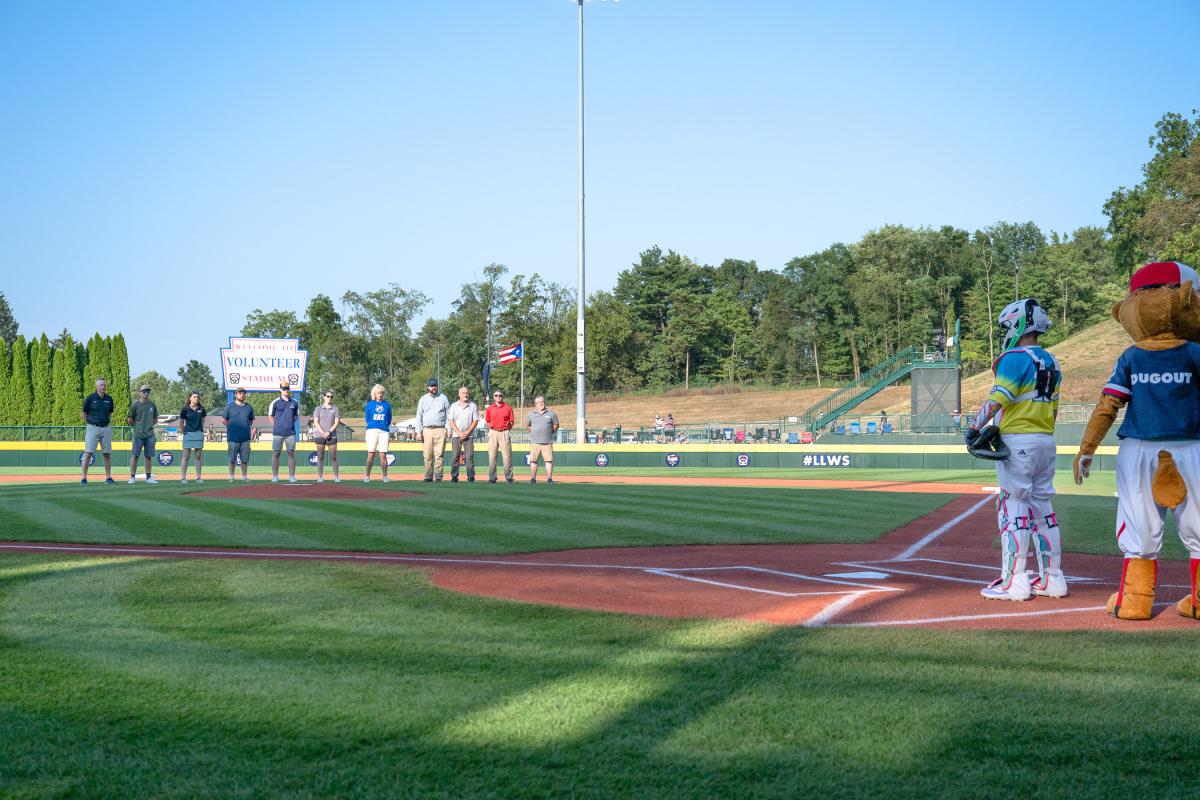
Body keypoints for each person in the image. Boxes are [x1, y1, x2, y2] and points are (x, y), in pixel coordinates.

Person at [966, 298, 1065, 601]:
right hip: (1045, 440)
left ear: (1017, 325)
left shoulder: (1014, 357)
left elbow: (999, 398)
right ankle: (1053, 579)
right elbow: (1055, 408)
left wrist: (973, 426)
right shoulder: (1052, 361)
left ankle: (1015, 582)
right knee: (1043, 510)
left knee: (1013, 508)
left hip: (1018, 442)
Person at [80, 377, 116, 485]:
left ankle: (108, 477)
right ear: (96, 386)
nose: (103, 387)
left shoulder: (109, 399)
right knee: (88, 453)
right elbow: (84, 414)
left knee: (107, 454)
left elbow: (109, 413)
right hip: (92, 428)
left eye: (104, 385)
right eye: (101, 385)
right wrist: (91, 423)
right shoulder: (90, 398)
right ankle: (84, 478)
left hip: (106, 428)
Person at [416, 377, 450, 482]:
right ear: (428, 387)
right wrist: (418, 431)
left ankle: (439, 476)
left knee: (439, 455)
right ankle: (428, 476)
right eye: (431, 386)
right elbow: (419, 416)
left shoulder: (443, 398)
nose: (433, 387)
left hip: (440, 429)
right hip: (427, 429)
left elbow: (449, 415)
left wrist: (448, 429)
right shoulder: (423, 399)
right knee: (427, 455)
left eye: (435, 385)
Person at [268, 381, 300, 483]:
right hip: (278, 433)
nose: (286, 390)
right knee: (276, 453)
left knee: (291, 453)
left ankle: (291, 476)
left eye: (287, 388)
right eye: (284, 388)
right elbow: (270, 416)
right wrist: (277, 425)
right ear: (280, 389)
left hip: (290, 432)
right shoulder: (275, 402)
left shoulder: (295, 402)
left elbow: (296, 416)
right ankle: (275, 476)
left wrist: (289, 423)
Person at [126, 385, 159, 484]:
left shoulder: (152, 405)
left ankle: (148, 477)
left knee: (148, 456)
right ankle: (132, 477)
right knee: (135, 455)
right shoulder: (135, 405)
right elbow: (129, 419)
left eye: (148, 391)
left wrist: (149, 425)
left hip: (150, 434)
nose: (146, 393)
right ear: (140, 392)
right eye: (144, 391)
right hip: (138, 435)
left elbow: (156, 419)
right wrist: (136, 427)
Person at [221, 387, 254, 482]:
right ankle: (231, 477)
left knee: (244, 459)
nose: (242, 395)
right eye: (240, 393)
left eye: (243, 393)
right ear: (235, 394)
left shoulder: (249, 407)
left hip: (245, 438)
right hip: (233, 437)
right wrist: (232, 426)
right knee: (232, 459)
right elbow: (223, 420)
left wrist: (244, 427)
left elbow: (251, 421)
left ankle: (244, 477)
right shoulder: (229, 406)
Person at [448, 385, 480, 483]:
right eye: (463, 393)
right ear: (459, 394)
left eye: (467, 393)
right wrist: (459, 432)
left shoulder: (473, 405)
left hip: (468, 435)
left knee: (469, 457)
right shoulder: (454, 405)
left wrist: (467, 432)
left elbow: (475, 421)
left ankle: (471, 477)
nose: (465, 395)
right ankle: (454, 477)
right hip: (456, 435)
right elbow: (451, 420)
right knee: (455, 457)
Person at [527, 395, 560, 484]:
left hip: (547, 441)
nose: (541, 403)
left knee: (548, 461)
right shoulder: (531, 414)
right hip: (535, 442)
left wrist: (550, 431)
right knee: (533, 461)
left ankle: (549, 479)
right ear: (536, 404)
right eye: (538, 402)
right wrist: (534, 432)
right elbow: (528, 426)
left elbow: (556, 425)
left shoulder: (551, 413)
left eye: (542, 401)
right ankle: (533, 479)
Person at [484, 388, 515, 483]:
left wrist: (506, 429)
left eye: (500, 395)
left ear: (502, 396)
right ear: (493, 397)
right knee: (492, 457)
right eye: (496, 395)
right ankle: (492, 477)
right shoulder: (490, 408)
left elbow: (511, 421)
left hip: (504, 432)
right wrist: (492, 428)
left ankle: (509, 477)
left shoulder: (508, 407)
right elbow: (488, 420)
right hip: (493, 432)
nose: (498, 397)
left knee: (507, 457)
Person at [364, 384, 392, 482]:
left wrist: (384, 426)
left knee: (383, 455)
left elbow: (389, 418)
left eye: (381, 393)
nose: (380, 395)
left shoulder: (387, 405)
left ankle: (385, 476)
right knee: (371, 454)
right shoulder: (370, 404)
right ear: (374, 394)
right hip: (372, 430)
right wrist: (373, 425)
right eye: (378, 393)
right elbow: (367, 418)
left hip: (384, 431)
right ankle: (367, 476)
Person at [312, 389, 341, 483]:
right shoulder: (318, 408)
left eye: (331, 397)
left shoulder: (335, 409)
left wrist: (328, 432)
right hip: (320, 436)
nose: (329, 398)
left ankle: (336, 477)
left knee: (334, 457)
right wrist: (322, 433)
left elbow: (336, 423)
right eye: (328, 396)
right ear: (324, 397)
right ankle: (320, 477)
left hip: (331, 435)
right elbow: (316, 422)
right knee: (320, 457)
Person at [179, 390, 207, 483]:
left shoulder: (202, 409)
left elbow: (203, 421)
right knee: (186, 456)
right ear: (190, 398)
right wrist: (184, 432)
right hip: (188, 434)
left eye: (197, 397)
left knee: (198, 456)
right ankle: (183, 477)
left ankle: (198, 477)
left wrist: (199, 430)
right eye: (194, 397)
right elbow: (181, 423)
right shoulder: (184, 409)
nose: (196, 398)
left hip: (198, 433)